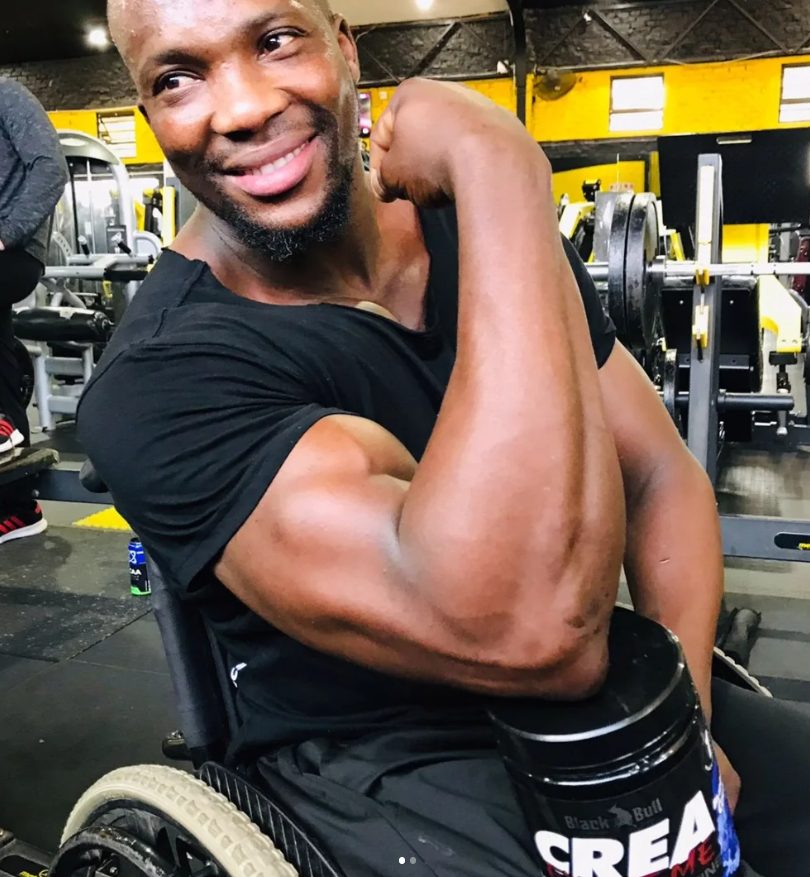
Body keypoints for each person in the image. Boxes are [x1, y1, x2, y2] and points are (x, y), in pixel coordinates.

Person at [78, 0, 810, 873]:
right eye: (177, 78)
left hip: (601, 695)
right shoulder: (161, 378)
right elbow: (532, 633)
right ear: (148, 111)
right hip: (383, 761)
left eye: (274, 41)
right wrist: (503, 167)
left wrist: (676, 727)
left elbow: (661, 475)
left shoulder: (475, 236)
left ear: (344, 50)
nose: (238, 108)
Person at [0, 77, 67, 542]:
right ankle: (17, 510)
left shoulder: (6, 94)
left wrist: (6, 232)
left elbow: (51, 167)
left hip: (14, 251)